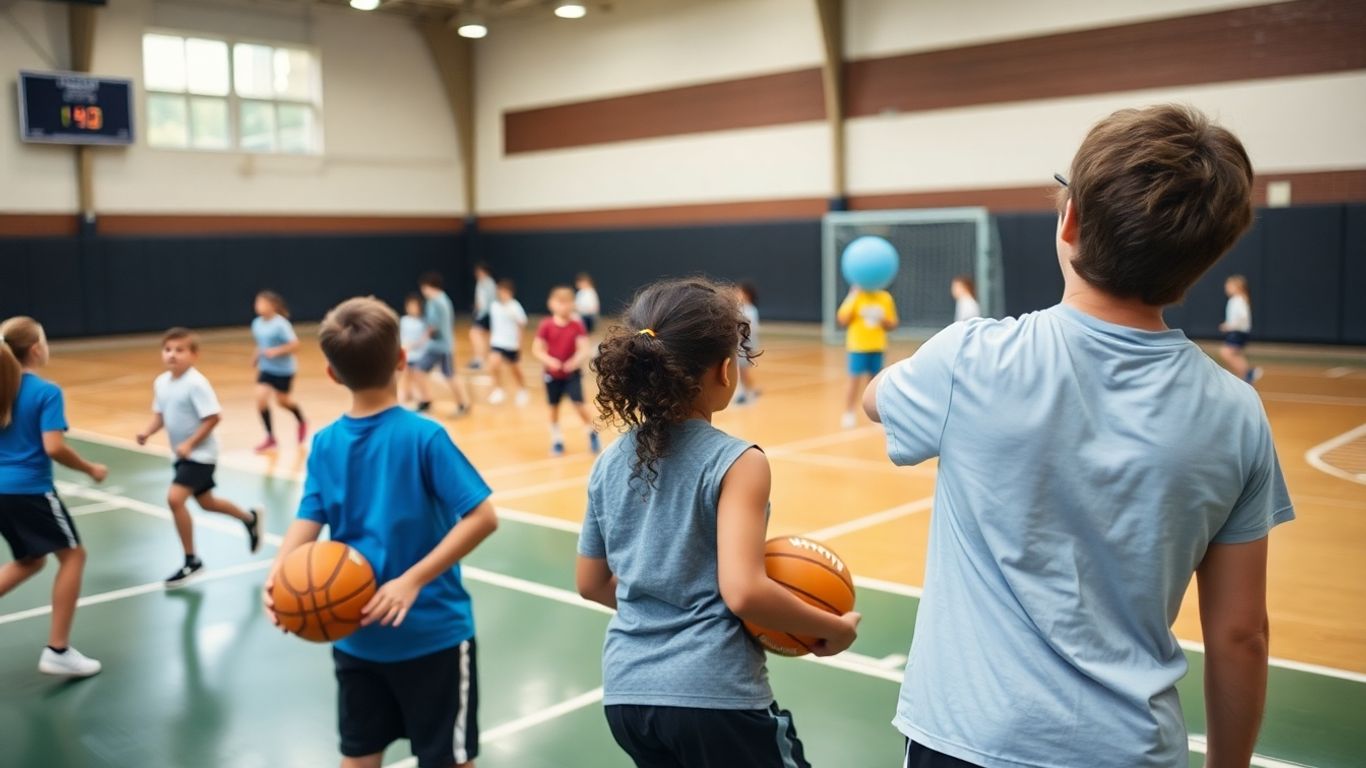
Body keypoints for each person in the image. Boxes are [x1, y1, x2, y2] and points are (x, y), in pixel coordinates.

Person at [865, 104, 1293, 768]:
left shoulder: (972, 359)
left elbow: (875, 400)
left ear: (1069, 222)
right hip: (1130, 749)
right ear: (1201, 261)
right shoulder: (1237, 413)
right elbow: (1241, 635)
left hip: (969, 741)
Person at [577, 278, 860, 768]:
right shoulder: (738, 462)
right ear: (726, 371)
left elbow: (590, 583)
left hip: (626, 697)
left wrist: (661, 601)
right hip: (713, 695)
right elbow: (744, 592)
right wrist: (832, 628)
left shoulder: (608, 461)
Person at [264, 297, 498, 768]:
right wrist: (411, 581)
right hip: (431, 635)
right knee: (446, 760)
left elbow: (307, 520)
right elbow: (483, 517)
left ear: (332, 374)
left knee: (359, 758)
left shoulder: (325, 443)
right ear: (402, 359)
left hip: (355, 632)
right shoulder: (424, 436)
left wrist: (277, 575)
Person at [0, 316, 108, 677]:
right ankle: (58, 650)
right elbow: (54, 447)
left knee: (31, 560)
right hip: (29, 490)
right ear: (36, 349)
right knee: (73, 555)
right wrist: (90, 468)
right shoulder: (46, 392)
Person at [137, 328, 263, 587]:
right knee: (207, 503)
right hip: (182, 455)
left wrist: (190, 443)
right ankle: (249, 519)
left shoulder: (196, 383)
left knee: (175, 499)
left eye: (180, 350)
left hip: (201, 455)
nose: (172, 355)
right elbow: (160, 415)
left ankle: (192, 560)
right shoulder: (161, 382)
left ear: (194, 355)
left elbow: (213, 417)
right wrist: (147, 432)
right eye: (168, 350)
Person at [532, 286, 600, 456]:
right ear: (551, 304)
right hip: (552, 375)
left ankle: (591, 433)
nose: (564, 306)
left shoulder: (577, 325)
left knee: (580, 405)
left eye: (567, 302)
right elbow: (537, 349)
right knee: (553, 408)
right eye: (560, 302)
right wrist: (550, 361)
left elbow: (583, 348)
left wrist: (573, 362)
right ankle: (557, 440)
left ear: (572, 304)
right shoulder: (546, 325)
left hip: (571, 375)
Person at [251, 291, 306, 453]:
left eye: (262, 303)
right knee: (261, 400)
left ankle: (301, 421)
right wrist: (256, 356)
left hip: (283, 370)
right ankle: (270, 438)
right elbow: (261, 344)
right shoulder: (257, 323)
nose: (258, 306)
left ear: (272, 305)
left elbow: (295, 345)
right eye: (257, 303)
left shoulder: (281, 324)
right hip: (266, 369)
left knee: (283, 402)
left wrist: (276, 351)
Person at [837, 284, 898, 429]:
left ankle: (875, 415)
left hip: (877, 346)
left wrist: (882, 319)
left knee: (875, 383)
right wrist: (853, 296)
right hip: (857, 347)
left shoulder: (885, 297)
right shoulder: (855, 297)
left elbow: (893, 323)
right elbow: (842, 320)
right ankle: (849, 413)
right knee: (854, 381)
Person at [413, 272, 471, 417]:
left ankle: (463, 404)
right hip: (439, 345)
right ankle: (426, 401)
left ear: (427, 286)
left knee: (448, 375)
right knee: (421, 371)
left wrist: (420, 341)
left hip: (440, 346)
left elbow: (433, 325)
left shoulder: (436, 302)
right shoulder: (442, 299)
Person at [487, 279, 529, 407]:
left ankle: (522, 389)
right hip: (497, 342)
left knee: (515, 369)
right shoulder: (494, 306)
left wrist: (519, 343)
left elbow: (521, 325)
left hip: (511, 343)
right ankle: (498, 389)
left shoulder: (515, 307)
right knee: (493, 364)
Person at [1219, 275, 1262, 385]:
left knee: (1225, 353)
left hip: (1238, 332)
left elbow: (1242, 316)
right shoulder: (1238, 299)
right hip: (1238, 332)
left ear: (1237, 287)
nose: (1226, 289)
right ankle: (1247, 375)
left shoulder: (1237, 300)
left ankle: (1248, 373)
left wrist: (1230, 326)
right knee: (1235, 354)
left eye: (1229, 286)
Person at [734, 282, 762, 405]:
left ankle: (746, 394)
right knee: (741, 370)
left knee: (743, 370)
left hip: (746, 345)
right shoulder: (739, 308)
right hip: (740, 344)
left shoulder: (750, 310)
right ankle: (750, 391)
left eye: (740, 291)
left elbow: (751, 329)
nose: (737, 294)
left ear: (747, 294)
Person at [399, 294, 429, 406]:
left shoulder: (423, 322)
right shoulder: (404, 320)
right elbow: (401, 336)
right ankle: (406, 395)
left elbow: (424, 339)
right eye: (410, 306)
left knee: (418, 376)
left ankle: (421, 396)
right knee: (405, 376)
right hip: (407, 354)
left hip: (419, 354)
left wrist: (415, 345)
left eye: (415, 306)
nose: (412, 308)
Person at [469, 263, 497, 370]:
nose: (477, 273)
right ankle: (483, 359)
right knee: (483, 337)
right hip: (483, 313)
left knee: (474, 333)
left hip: (486, 314)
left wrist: (480, 310)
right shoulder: (481, 282)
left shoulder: (488, 283)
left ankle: (479, 360)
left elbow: (486, 302)